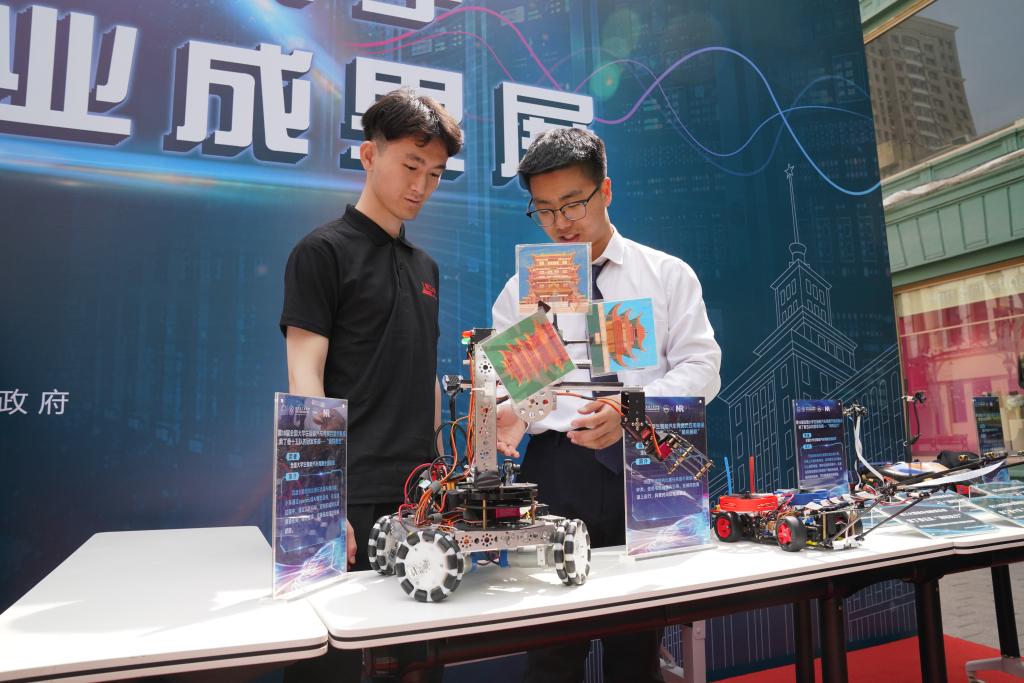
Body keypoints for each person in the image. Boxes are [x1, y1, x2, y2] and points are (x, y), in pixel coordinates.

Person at [491, 127, 721, 683]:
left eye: (574, 202)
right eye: (545, 210)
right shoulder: (522, 291)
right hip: (555, 468)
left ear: (606, 190)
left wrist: (631, 410)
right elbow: (510, 393)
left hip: (645, 463)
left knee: (636, 647)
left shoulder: (665, 275)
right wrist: (515, 401)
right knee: (550, 647)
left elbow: (702, 368)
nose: (561, 222)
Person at [280, 87, 462, 682]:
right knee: (330, 663)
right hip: (350, 491)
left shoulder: (426, 268)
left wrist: (441, 480)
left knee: (421, 661)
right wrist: (321, 501)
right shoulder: (322, 252)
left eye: (434, 174)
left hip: (420, 495)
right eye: (411, 165)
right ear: (368, 154)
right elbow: (305, 379)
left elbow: (425, 371)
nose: (421, 185)